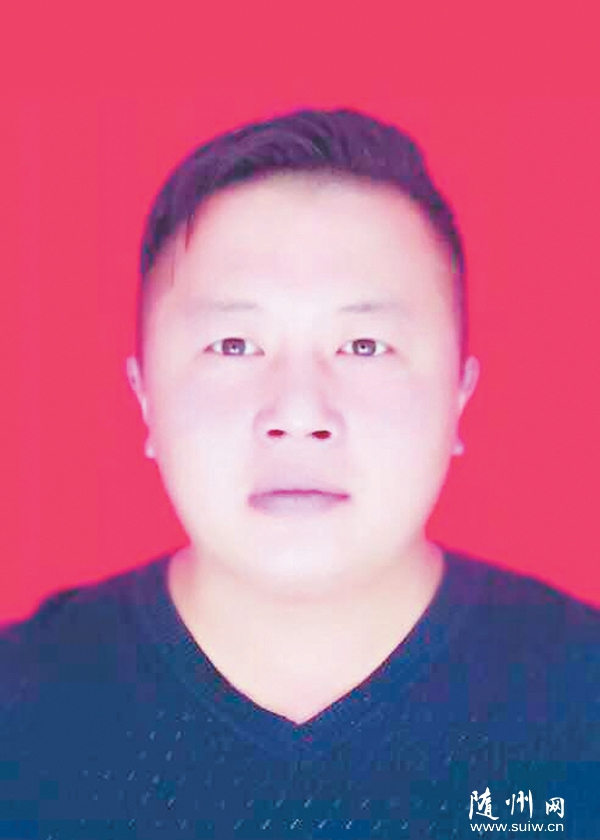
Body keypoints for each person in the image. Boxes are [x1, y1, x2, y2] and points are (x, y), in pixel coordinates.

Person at [1, 107, 599, 840]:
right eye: (233, 344)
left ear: (458, 398)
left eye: (365, 346)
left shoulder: (583, 703)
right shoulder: (18, 716)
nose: (298, 412)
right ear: (145, 398)